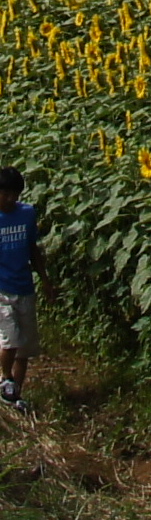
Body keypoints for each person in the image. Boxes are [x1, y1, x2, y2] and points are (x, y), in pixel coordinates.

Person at [0, 169, 43, 407]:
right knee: (11, 340)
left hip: (25, 286)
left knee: (24, 347)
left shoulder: (26, 214)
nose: (9, 199)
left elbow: (33, 249)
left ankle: (15, 394)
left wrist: (45, 280)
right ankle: (5, 379)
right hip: (1, 289)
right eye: (4, 194)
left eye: (13, 194)